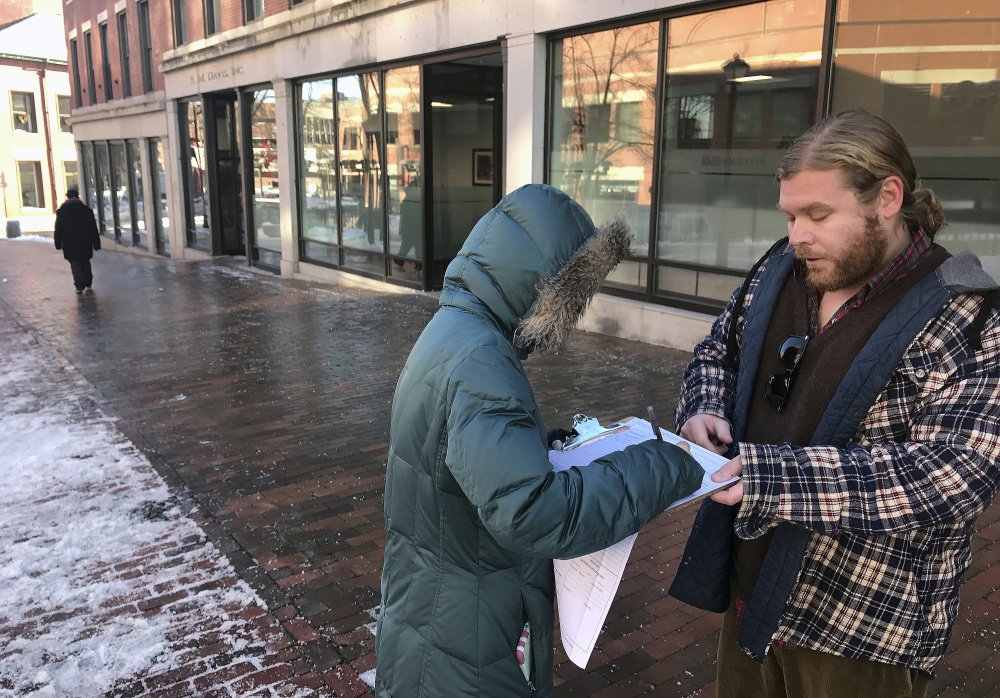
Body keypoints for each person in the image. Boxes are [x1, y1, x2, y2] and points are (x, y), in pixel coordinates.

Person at [668, 108, 1000, 697]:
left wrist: (770, 477)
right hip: (752, 587)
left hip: (861, 625)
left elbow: (957, 473)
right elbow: (717, 350)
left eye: (818, 214)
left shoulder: (966, 313)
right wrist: (704, 408)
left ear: (888, 197)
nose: (798, 234)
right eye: (790, 215)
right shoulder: (779, 267)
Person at [375, 183, 704, 697]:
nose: (575, 318)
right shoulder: (482, 365)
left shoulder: (455, 331)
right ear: (544, 289)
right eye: (576, 298)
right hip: (468, 644)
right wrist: (665, 465)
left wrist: (546, 447)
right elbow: (533, 511)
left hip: (437, 615)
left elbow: (461, 459)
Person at [53, 188, 101, 295]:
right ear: (78, 196)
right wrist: (96, 243)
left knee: (74, 263)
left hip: (70, 243)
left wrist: (58, 243)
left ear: (67, 197)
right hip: (85, 241)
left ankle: (79, 285)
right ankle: (88, 282)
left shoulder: (62, 212)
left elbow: (58, 229)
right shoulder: (86, 210)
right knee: (85, 261)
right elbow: (93, 228)